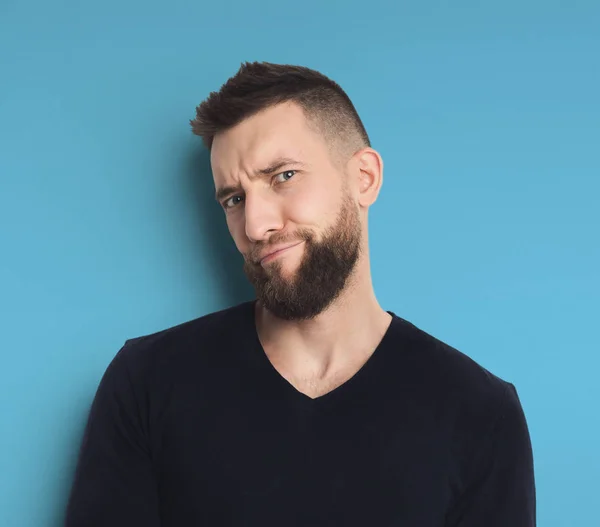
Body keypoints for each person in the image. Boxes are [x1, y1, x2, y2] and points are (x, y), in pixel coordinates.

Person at [65, 61, 536, 526]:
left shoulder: (479, 414)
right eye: (234, 199)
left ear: (364, 178)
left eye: (283, 176)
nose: (256, 224)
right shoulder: (147, 381)